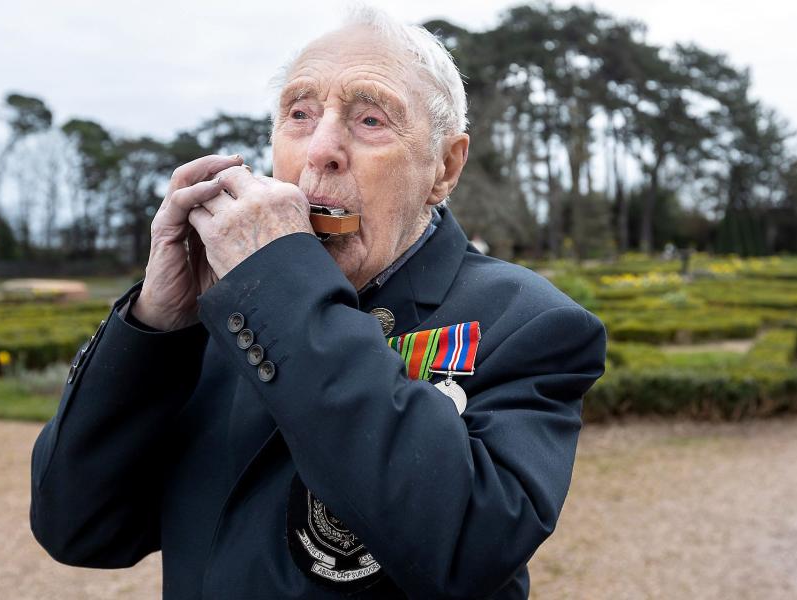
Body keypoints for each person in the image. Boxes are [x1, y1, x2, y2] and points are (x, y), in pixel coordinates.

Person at [30, 7, 606, 599]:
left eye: (371, 119)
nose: (321, 149)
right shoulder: (221, 313)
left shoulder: (528, 321)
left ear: (444, 166)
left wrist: (279, 292)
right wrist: (155, 324)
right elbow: (79, 529)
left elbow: (465, 546)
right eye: (300, 114)